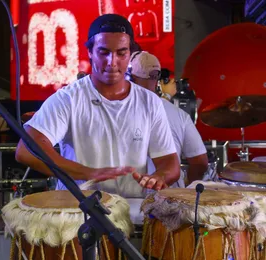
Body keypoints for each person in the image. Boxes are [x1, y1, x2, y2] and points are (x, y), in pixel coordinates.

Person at [15, 14, 180, 198]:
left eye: (121, 53)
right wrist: (88, 173)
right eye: (104, 52)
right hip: (77, 212)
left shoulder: (149, 102)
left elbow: (169, 162)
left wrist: (159, 176)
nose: (112, 62)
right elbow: (26, 151)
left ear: (130, 54)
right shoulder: (68, 98)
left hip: (130, 212)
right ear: (90, 52)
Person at [127, 51, 208, 186]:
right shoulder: (179, 115)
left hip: (130, 196)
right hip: (170, 197)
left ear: (130, 78)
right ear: (157, 77)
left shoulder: (118, 111)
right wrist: (188, 184)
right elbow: (200, 162)